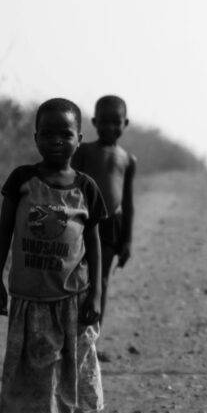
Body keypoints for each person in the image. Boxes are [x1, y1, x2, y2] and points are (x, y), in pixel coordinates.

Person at [0, 98, 106, 413]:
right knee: (39, 372)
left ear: (79, 139)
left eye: (65, 134)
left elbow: (94, 246)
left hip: (70, 298)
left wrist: (96, 294)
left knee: (60, 370)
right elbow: (4, 232)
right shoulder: (22, 180)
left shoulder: (86, 188)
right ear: (35, 137)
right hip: (29, 298)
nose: (56, 140)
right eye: (48, 133)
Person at [72, 95, 136, 362]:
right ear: (94, 122)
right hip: (81, 224)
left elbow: (128, 202)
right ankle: (68, 336)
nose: (110, 127)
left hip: (111, 226)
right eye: (104, 122)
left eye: (115, 122)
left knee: (101, 282)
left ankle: (90, 341)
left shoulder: (128, 159)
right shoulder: (83, 152)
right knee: (74, 278)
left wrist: (127, 240)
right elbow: (70, 185)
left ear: (125, 124)